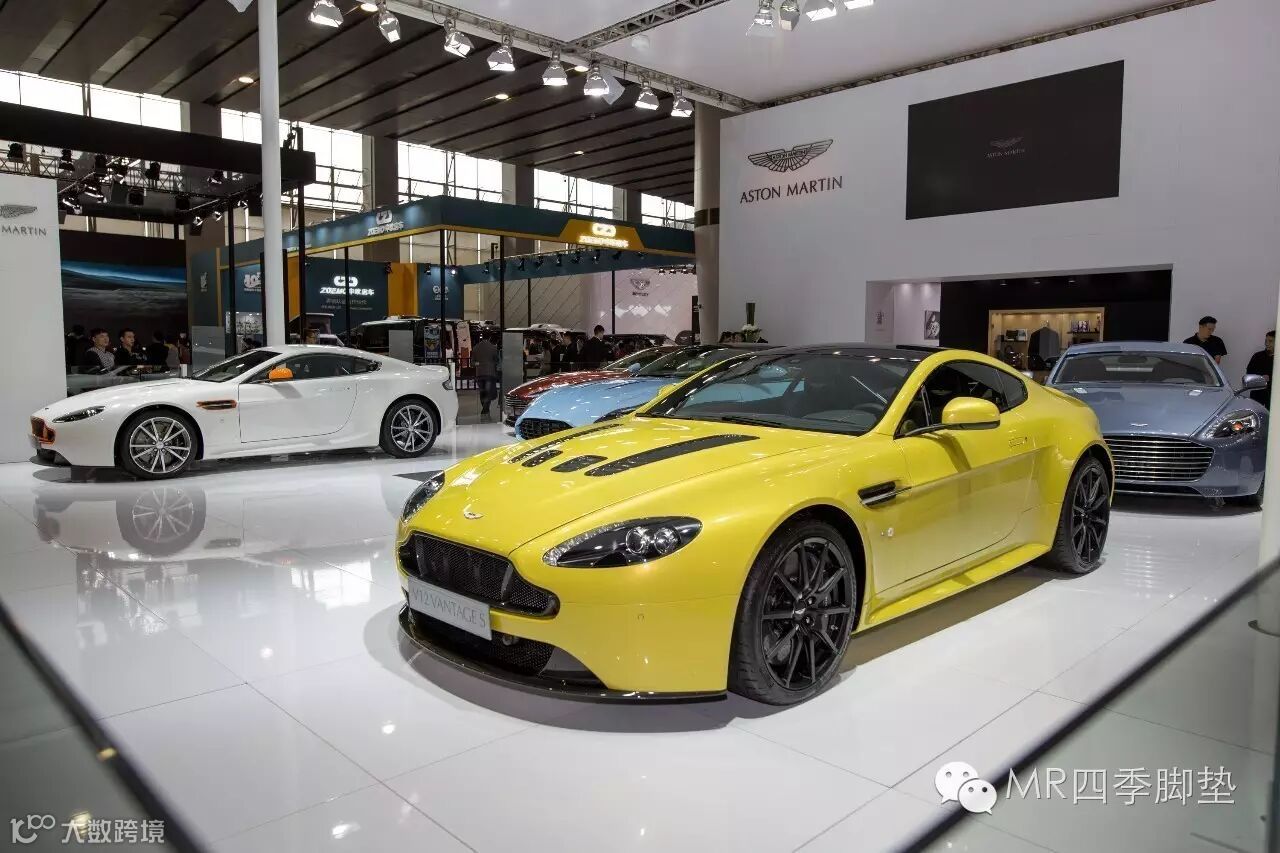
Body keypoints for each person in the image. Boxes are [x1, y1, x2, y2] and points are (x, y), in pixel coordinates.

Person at [471, 332, 499, 420]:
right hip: (490, 373)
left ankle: (486, 410)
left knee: (482, 393)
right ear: (489, 337)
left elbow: (472, 363)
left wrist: (479, 364)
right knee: (488, 393)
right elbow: (497, 360)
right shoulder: (493, 348)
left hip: (479, 374)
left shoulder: (475, 348)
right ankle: (485, 410)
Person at [1246, 330, 1274, 409]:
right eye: (1266, 341)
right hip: (1257, 393)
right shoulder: (1257, 356)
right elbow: (1249, 372)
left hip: (1274, 394)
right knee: (1256, 412)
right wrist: (1260, 376)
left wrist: (1270, 377)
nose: (1267, 344)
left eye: (1270, 341)